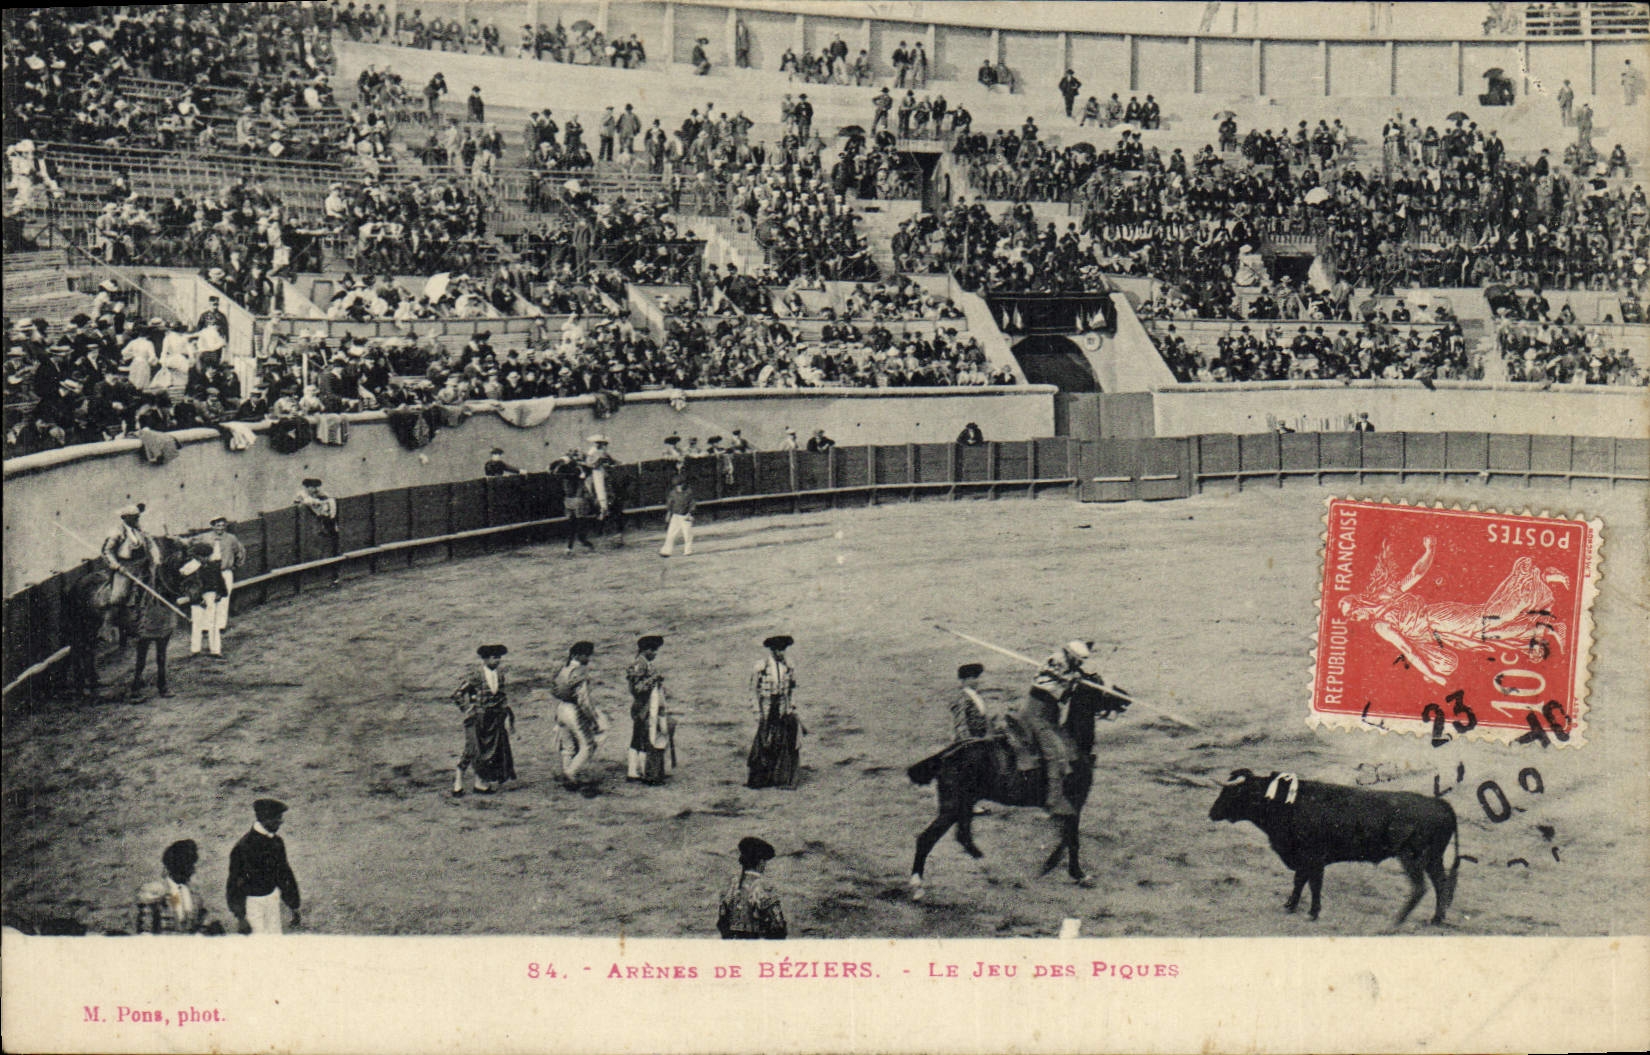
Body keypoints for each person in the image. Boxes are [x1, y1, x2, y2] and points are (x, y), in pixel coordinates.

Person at [1021, 641, 1091, 817]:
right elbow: (1056, 690)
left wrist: (1077, 677)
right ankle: (1052, 802)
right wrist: (1072, 679)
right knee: (1055, 754)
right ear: (1071, 655)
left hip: (1051, 717)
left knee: (1071, 749)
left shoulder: (1067, 665)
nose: (1080, 663)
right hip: (1037, 716)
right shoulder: (1056, 661)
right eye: (1079, 660)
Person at [226, 798, 301, 935]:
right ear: (265, 819)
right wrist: (241, 917)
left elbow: (284, 874)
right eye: (277, 818)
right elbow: (234, 883)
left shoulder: (277, 842)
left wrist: (293, 905)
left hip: (272, 900)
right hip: (252, 905)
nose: (281, 822)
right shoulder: (243, 847)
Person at [451, 644, 516, 795]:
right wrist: (467, 709)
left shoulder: (500, 675)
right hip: (478, 718)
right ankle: (458, 782)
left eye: (499, 657)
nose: (497, 660)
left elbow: (501, 696)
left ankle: (480, 784)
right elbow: (457, 694)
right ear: (485, 659)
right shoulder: (476, 675)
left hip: (494, 719)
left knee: (489, 752)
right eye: (494, 657)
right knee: (472, 750)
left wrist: (505, 712)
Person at [552, 641, 606, 795]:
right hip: (573, 711)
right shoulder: (580, 672)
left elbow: (554, 690)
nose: (588, 658)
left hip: (561, 708)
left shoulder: (562, 669)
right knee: (588, 744)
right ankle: (570, 773)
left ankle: (568, 774)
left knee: (567, 746)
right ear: (576, 655)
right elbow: (584, 700)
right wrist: (593, 718)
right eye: (586, 655)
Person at [747, 635, 801, 789]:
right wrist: (757, 711)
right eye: (779, 650)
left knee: (782, 740)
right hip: (767, 707)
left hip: (782, 706)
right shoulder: (761, 666)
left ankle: (780, 778)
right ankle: (761, 779)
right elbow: (753, 690)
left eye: (783, 649)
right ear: (772, 650)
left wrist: (791, 706)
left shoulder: (789, 666)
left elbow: (792, 688)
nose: (782, 653)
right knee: (764, 741)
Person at [135, 839, 214, 934]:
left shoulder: (193, 895)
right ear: (173, 866)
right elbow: (146, 929)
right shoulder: (157, 891)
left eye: (191, 864)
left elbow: (202, 924)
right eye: (186, 865)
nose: (192, 870)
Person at [717, 836, 787, 939]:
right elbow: (778, 926)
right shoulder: (763, 887)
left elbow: (722, 921)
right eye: (764, 861)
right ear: (761, 862)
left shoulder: (731, 886)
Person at [625, 635, 666, 782]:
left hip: (645, 704)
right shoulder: (640, 664)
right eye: (653, 650)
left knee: (639, 737)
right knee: (643, 737)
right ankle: (641, 771)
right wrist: (654, 679)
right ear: (645, 650)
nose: (655, 653)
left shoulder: (643, 663)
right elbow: (637, 688)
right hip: (643, 705)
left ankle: (634, 771)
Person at [103, 503, 160, 609]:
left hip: (143, 564)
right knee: (119, 596)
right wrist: (117, 566)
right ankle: (114, 617)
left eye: (137, 517)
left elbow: (152, 545)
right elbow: (108, 551)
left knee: (156, 584)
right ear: (125, 518)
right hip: (126, 567)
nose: (137, 519)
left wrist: (156, 558)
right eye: (134, 517)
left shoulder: (141, 530)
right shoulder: (118, 532)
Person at [178, 540, 225, 659]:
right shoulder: (191, 568)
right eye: (202, 556)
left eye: (206, 556)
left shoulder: (213, 566)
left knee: (213, 623)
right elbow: (188, 585)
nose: (205, 558)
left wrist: (220, 593)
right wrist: (197, 598)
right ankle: (195, 649)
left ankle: (215, 650)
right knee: (197, 623)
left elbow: (219, 581)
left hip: (211, 596)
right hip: (196, 597)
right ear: (197, 556)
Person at [296, 477, 340, 583]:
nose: (316, 489)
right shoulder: (302, 494)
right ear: (306, 487)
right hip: (309, 527)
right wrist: (321, 502)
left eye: (317, 487)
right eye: (313, 487)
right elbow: (307, 501)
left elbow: (330, 501)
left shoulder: (320, 494)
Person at [550, 449, 596, 552]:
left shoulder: (580, 469)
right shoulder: (570, 468)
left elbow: (558, 470)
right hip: (571, 499)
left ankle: (573, 545)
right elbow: (554, 468)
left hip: (577, 499)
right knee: (573, 524)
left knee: (576, 524)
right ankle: (574, 545)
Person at [205, 517, 244, 635]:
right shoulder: (206, 537)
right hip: (211, 573)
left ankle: (221, 625)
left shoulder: (231, 538)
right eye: (218, 525)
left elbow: (240, 551)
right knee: (209, 598)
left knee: (224, 598)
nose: (220, 528)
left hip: (225, 571)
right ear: (212, 526)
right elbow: (191, 541)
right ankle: (208, 625)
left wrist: (236, 564)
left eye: (223, 525)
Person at [951, 662, 990, 741]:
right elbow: (961, 723)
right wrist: (969, 741)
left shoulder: (976, 696)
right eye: (974, 677)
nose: (978, 681)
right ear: (965, 679)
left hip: (981, 739)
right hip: (971, 741)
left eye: (978, 677)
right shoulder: (961, 698)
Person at [659, 474, 695, 558]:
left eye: (681, 484)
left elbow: (692, 503)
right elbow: (669, 504)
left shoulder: (688, 492)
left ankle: (688, 550)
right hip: (675, 516)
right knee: (670, 534)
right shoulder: (672, 493)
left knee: (687, 534)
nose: (679, 487)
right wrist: (668, 514)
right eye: (677, 485)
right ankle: (666, 551)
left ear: (684, 484)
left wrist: (690, 513)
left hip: (686, 516)